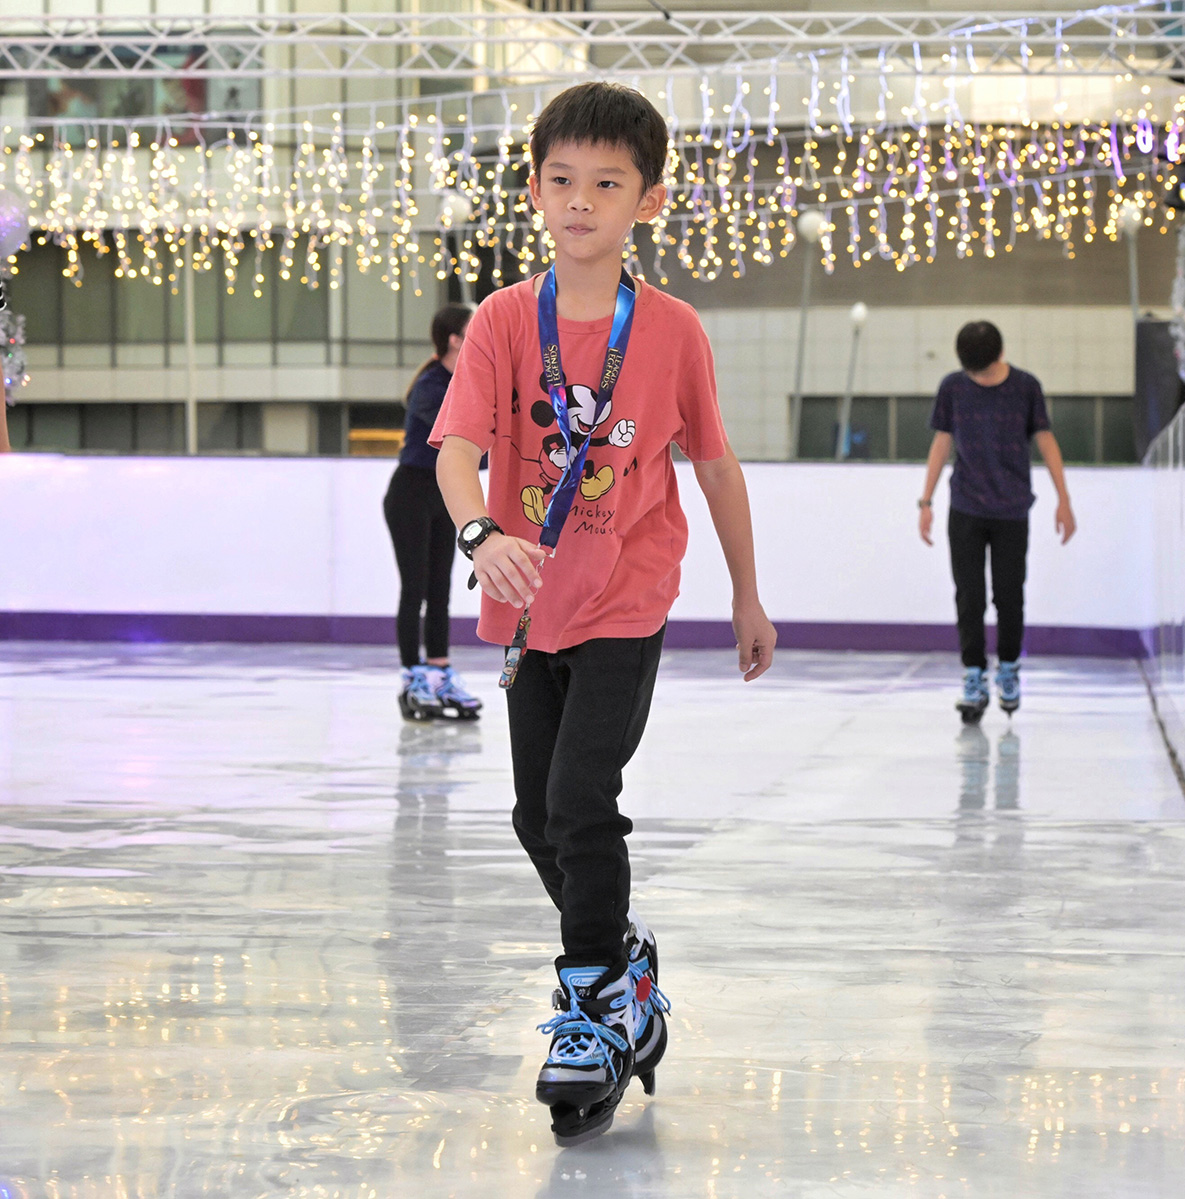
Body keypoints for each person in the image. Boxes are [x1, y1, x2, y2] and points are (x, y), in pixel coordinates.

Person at [430, 81, 776, 1146]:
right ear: (535, 190)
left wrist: (746, 591)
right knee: (537, 816)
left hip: (629, 598)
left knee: (582, 796)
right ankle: (628, 963)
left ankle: (588, 1011)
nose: (581, 200)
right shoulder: (498, 318)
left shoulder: (670, 332)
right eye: (563, 180)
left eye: (608, 183)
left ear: (650, 201)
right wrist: (483, 537)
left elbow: (713, 465)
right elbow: (455, 452)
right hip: (531, 614)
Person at [918, 320, 1076, 721]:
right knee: (968, 595)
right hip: (966, 507)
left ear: (1001, 355)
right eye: (974, 373)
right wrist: (926, 501)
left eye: (984, 371)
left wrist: (1064, 499)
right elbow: (942, 441)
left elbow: (1045, 440)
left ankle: (1008, 669)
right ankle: (973, 675)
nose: (979, 379)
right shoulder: (953, 387)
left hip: (1011, 509)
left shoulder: (1025, 387)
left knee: (1009, 595)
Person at [383, 304, 486, 721]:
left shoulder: (466, 382)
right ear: (454, 340)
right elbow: (457, 442)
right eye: (472, 330)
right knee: (416, 588)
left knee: (440, 588)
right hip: (410, 494)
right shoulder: (431, 386)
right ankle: (413, 676)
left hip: (445, 496)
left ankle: (440, 672)